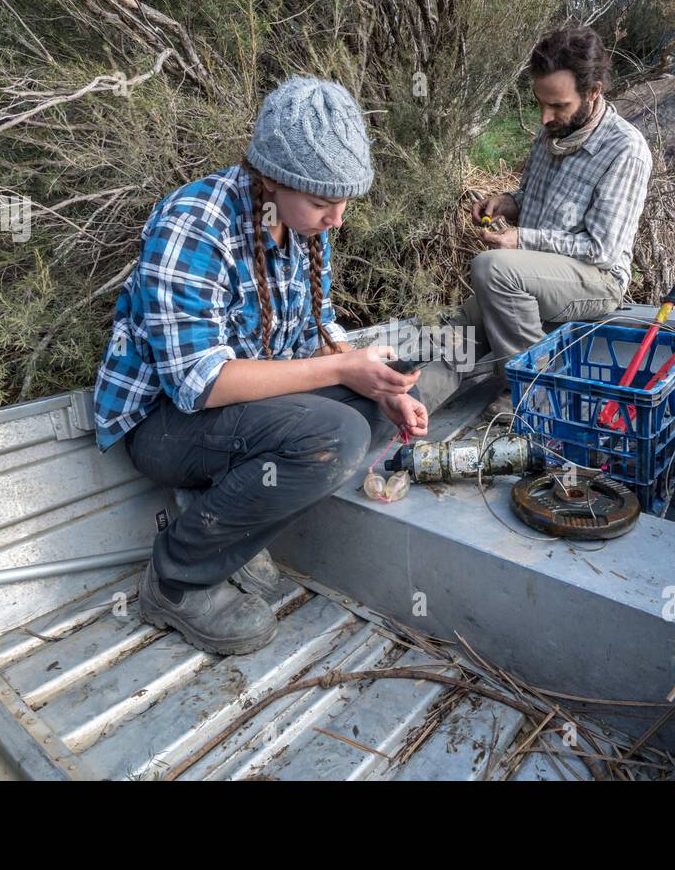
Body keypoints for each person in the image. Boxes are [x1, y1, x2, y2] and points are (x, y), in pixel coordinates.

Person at [92, 76, 427, 656]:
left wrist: (376, 385)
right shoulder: (194, 224)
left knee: (369, 416)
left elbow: (315, 335)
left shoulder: (302, 227)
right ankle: (176, 579)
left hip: (239, 413)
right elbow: (200, 384)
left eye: (344, 202)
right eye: (323, 203)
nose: (337, 220)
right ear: (271, 177)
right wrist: (343, 372)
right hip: (165, 424)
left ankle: (221, 521)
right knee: (335, 432)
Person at [413, 25, 653, 422]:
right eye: (540, 103)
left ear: (593, 92)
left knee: (493, 270)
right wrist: (508, 203)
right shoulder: (552, 133)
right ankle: (406, 404)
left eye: (557, 105)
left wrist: (520, 239)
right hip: (536, 277)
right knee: (459, 333)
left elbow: (601, 249)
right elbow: (537, 201)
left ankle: (538, 389)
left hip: (597, 280)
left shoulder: (626, 149)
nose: (545, 117)